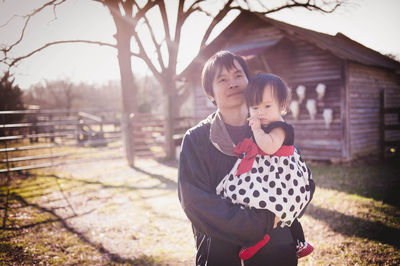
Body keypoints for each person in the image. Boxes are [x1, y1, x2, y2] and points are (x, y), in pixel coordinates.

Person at [178, 51, 312, 265]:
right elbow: (194, 201)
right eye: (222, 79)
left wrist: (286, 208)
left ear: (249, 82)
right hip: (220, 252)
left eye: (238, 75)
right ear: (209, 93)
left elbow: (300, 178)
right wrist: (259, 222)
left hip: (276, 250)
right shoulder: (197, 138)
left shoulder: (268, 126)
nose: (232, 83)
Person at [215, 73, 314, 260]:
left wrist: (256, 130)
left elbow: (268, 146)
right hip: (265, 172)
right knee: (246, 199)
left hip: (279, 174)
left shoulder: (280, 128)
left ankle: (260, 238)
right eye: (255, 107)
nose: (260, 112)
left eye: (267, 106)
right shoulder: (265, 123)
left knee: (268, 203)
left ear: (282, 106)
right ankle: (287, 239)